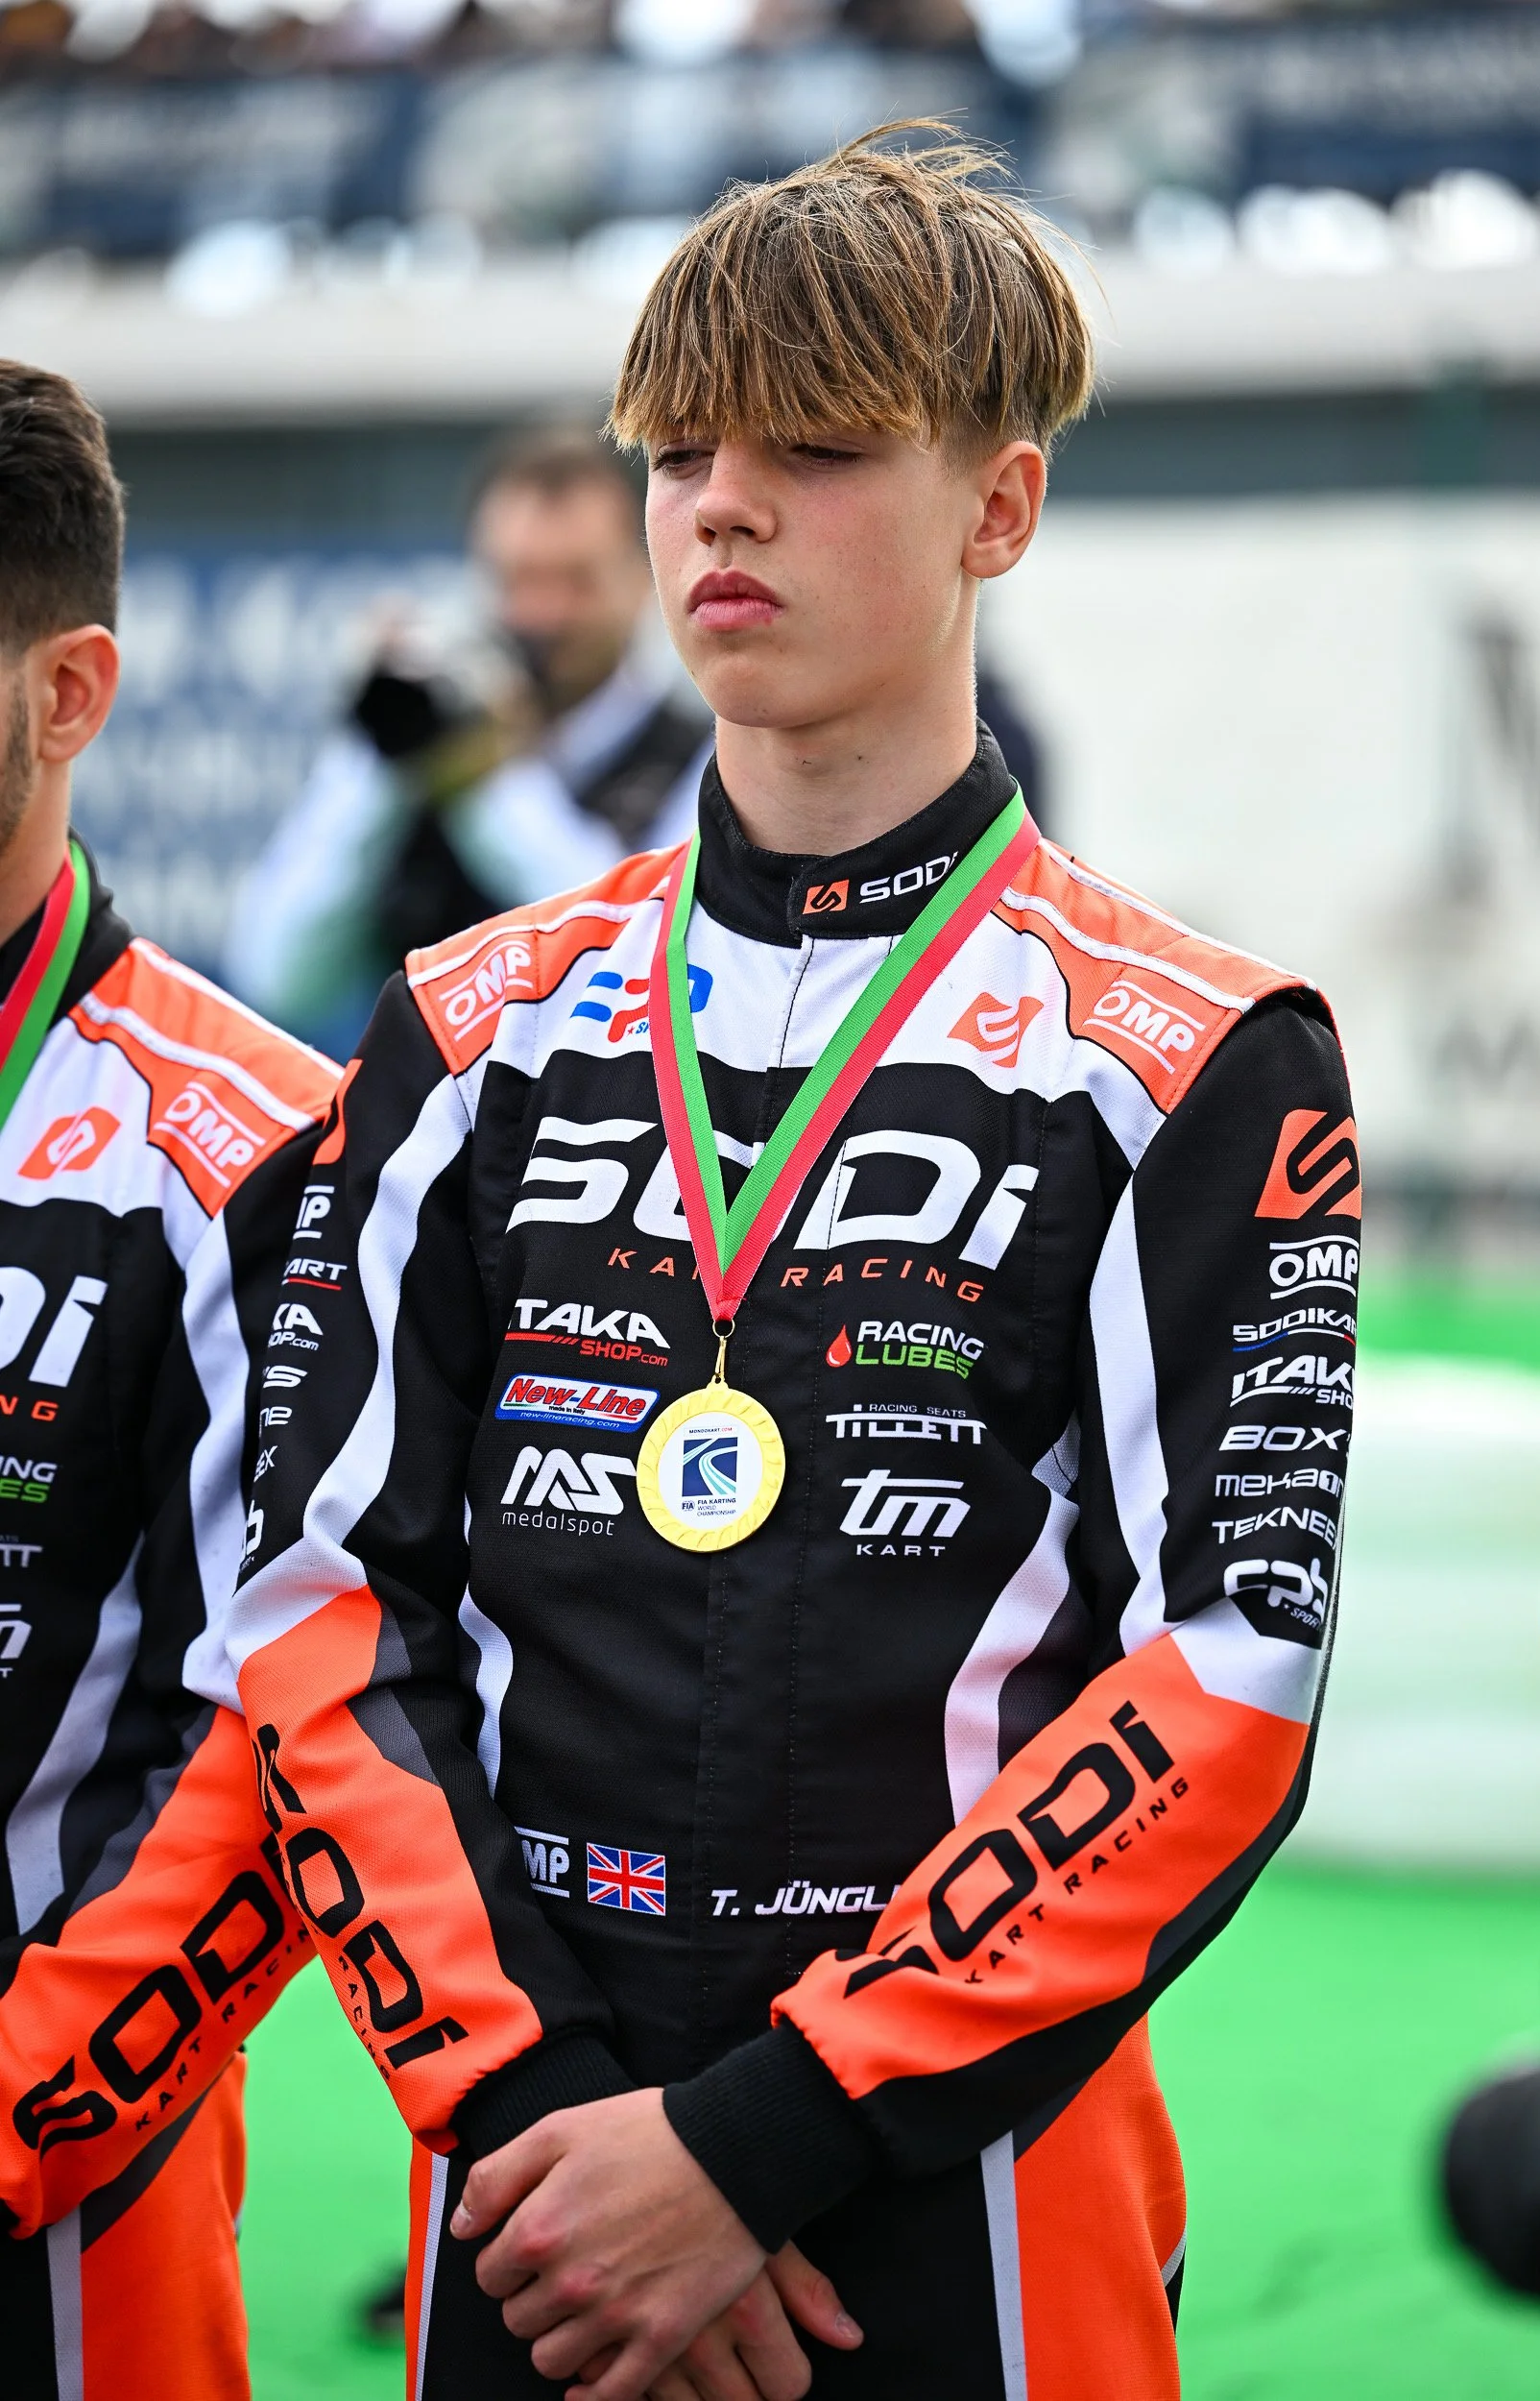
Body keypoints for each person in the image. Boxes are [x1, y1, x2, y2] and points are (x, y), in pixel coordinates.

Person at [227, 126, 1358, 2399]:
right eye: (682, 448)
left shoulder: (1199, 1058)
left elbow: (1227, 1681)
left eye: (817, 448)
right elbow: (317, 1610)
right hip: (533, 2198)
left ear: (998, 510)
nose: (718, 505)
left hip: (976, 2194)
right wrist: (552, 2127)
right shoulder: (463, 1030)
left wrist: (759, 2141)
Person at [0, 361, 339, 2399]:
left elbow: (287, 1736)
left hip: (61, 2190)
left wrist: (22, 2095)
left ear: (72, 692)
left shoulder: (248, 1149)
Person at [225, 427, 713, 1057]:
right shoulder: (425, 739)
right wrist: (383, 755)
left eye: (575, 582)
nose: (542, 614)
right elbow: (278, 980)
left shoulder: (702, 758)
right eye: (517, 580)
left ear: (645, 578)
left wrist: (489, 786)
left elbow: (645, 970)